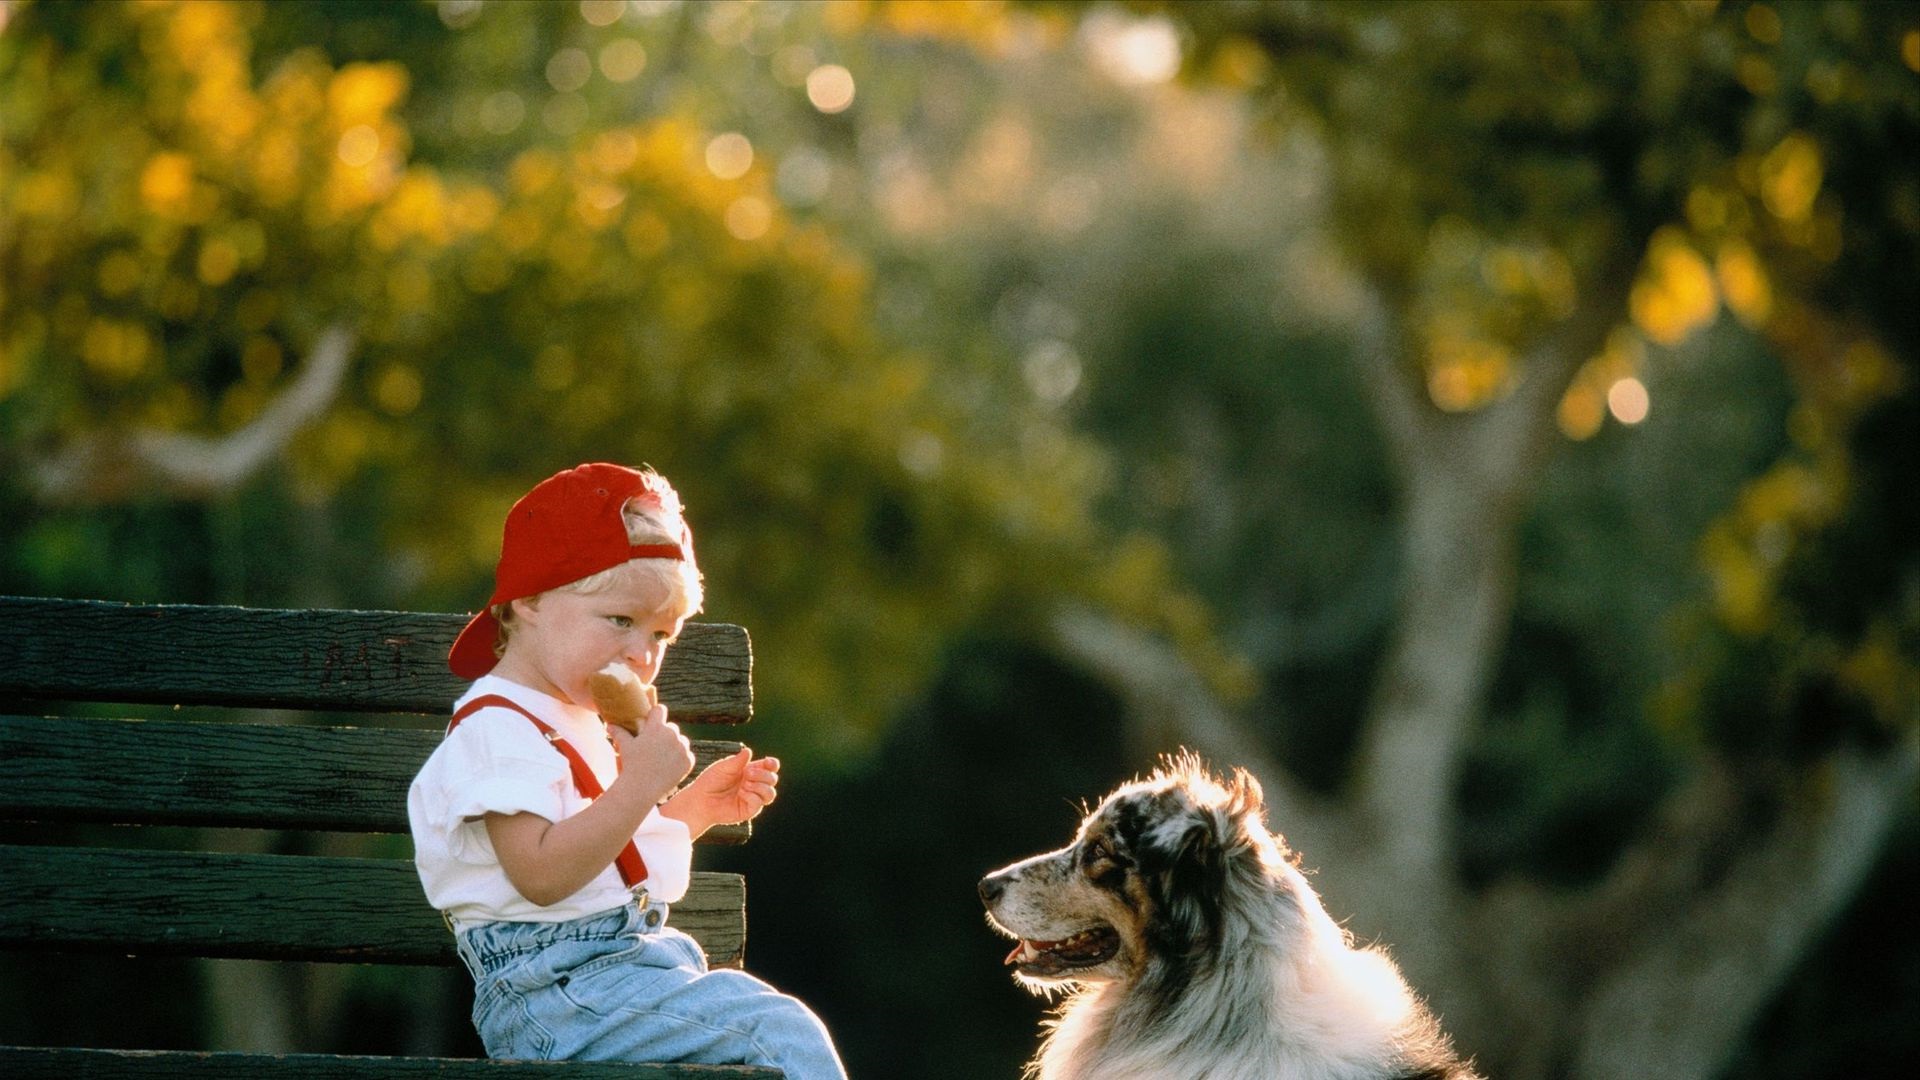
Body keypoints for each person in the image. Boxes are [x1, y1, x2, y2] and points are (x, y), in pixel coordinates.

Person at [408, 461, 847, 1077]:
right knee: (778, 1032)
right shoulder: (498, 727)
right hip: (555, 995)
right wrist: (640, 785)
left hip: (617, 978)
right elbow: (540, 872)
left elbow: (604, 862)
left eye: (662, 634)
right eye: (620, 620)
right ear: (530, 598)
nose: (642, 655)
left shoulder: (574, 714)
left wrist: (689, 812)